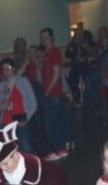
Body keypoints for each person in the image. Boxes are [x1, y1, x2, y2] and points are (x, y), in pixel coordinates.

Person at [38, 28, 71, 160]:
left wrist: (47, 90)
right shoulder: (46, 54)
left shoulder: (54, 53)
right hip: (51, 93)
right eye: (42, 38)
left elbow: (56, 74)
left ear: (52, 38)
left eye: (46, 37)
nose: (44, 40)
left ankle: (59, 148)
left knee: (54, 123)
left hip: (54, 93)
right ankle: (58, 149)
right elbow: (43, 71)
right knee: (52, 123)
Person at [0, 57, 38, 153]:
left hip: (21, 119)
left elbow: (33, 102)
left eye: (9, 68)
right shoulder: (1, 86)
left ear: (13, 68)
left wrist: (27, 118)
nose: (6, 71)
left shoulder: (23, 81)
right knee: (10, 151)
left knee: (26, 149)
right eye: (4, 69)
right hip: (6, 122)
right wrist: (2, 105)